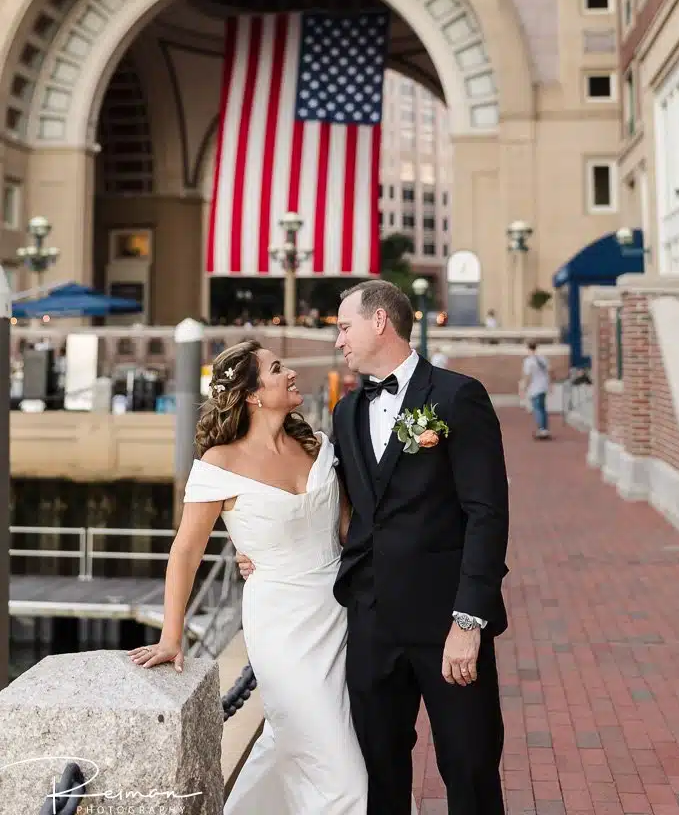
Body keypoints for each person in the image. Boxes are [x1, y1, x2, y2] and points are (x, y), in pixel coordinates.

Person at [240, 281, 510, 814]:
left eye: (344, 326)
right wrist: (267, 548)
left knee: (469, 765)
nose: (338, 339)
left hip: (444, 622)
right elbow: (339, 510)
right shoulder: (345, 412)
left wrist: (468, 622)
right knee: (377, 772)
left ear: (380, 322)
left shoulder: (458, 397)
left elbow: (487, 514)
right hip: (370, 623)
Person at [126, 340, 368, 814]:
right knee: (341, 770)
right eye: (278, 369)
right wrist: (171, 637)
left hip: (342, 615)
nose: (291, 373)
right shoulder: (220, 463)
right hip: (281, 627)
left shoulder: (317, 445)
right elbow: (186, 551)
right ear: (253, 395)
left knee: (305, 746)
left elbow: (348, 530)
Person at [520, 341, 551, 439]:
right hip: (543, 386)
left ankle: (541, 429)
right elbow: (550, 371)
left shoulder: (528, 361)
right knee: (543, 408)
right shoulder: (543, 359)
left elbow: (527, 376)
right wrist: (550, 384)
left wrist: (524, 387)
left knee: (537, 409)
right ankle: (545, 429)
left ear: (528, 349)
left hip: (534, 388)